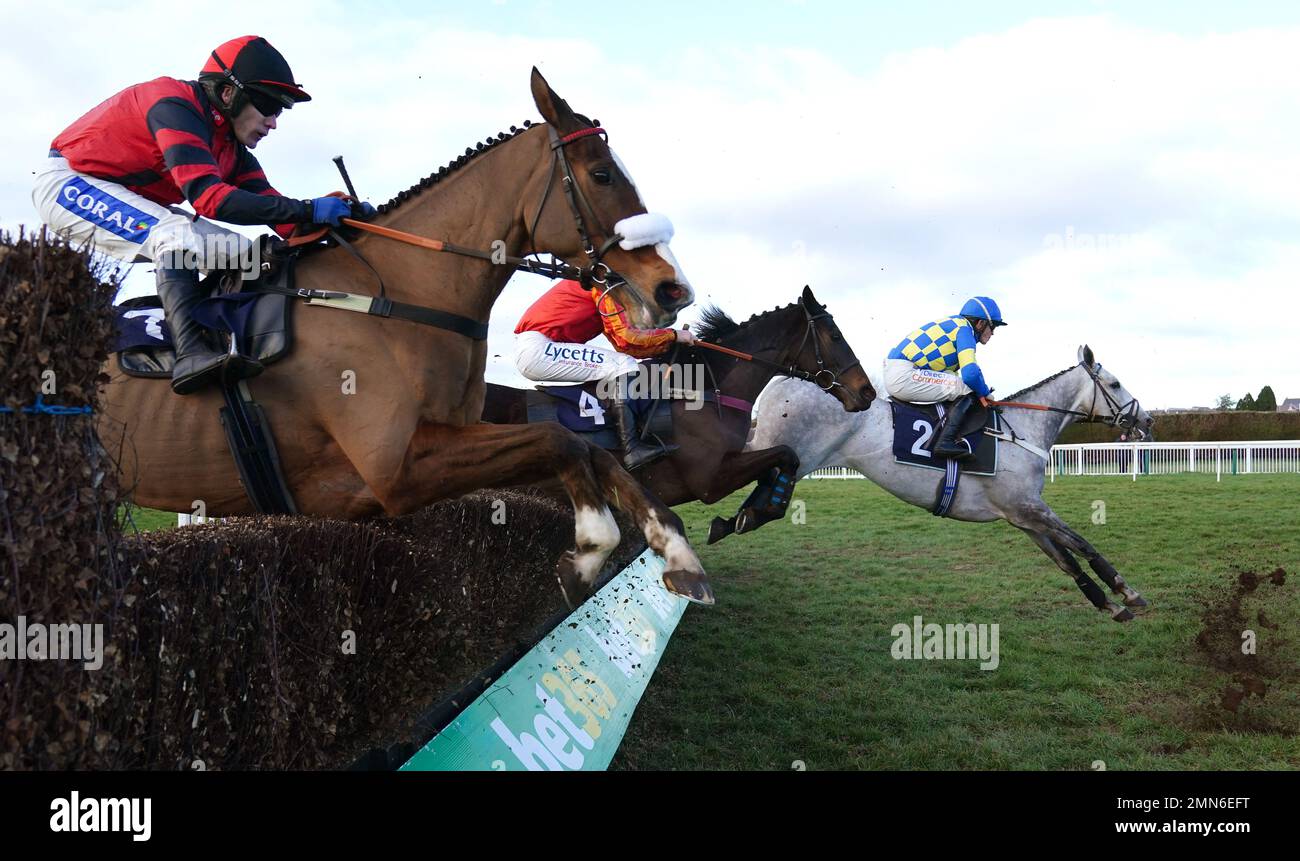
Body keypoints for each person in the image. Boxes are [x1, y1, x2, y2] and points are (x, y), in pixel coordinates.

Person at [33, 35, 373, 394]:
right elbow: (211, 199)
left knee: (248, 255)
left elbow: (285, 220)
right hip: (67, 185)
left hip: (126, 195)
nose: (273, 122)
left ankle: (223, 339)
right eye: (268, 105)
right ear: (228, 93)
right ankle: (191, 353)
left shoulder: (233, 151)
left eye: (280, 111)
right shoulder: (173, 104)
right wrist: (309, 208)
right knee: (175, 236)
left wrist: (344, 220)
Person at [514, 278, 696, 469]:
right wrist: (672, 335)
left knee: (623, 363)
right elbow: (627, 338)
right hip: (539, 348)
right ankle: (631, 449)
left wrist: (667, 345)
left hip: (538, 348)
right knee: (622, 365)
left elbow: (623, 346)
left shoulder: (608, 288)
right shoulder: (606, 284)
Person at [883, 296, 1006, 461]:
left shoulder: (956, 325)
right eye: (993, 327)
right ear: (980, 323)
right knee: (966, 388)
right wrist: (984, 392)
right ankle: (945, 442)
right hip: (904, 374)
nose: (993, 333)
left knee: (955, 382)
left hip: (899, 370)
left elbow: (962, 373)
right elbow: (970, 374)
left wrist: (982, 391)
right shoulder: (965, 331)